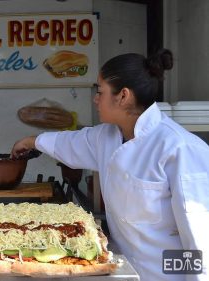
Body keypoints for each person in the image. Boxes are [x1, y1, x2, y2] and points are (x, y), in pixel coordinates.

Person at [11, 49, 208, 281]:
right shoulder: (107, 136)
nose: (95, 98)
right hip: (122, 269)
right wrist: (33, 141)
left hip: (163, 274)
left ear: (123, 96)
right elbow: (72, 142)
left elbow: (200, 239)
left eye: (100, 91)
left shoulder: (180, 149)